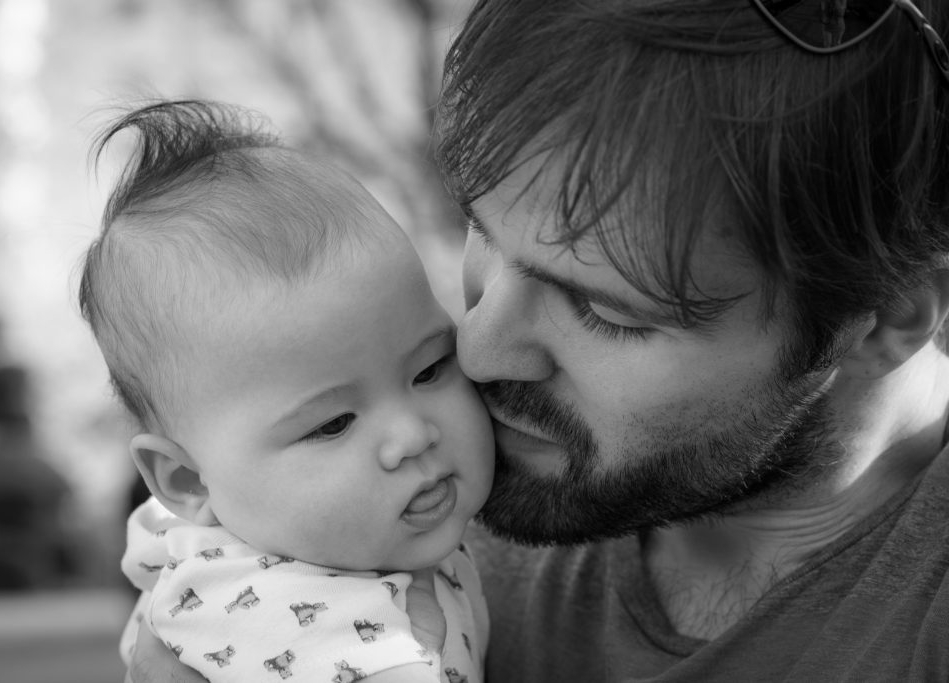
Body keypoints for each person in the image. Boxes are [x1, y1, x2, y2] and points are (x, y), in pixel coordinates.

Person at [130, 0, 949, 680]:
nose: (476, 353)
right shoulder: (409, 494)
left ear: (891, 318)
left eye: (607, 313)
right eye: (479, 232)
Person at [79, 100, 493, 683]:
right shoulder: (270, 619)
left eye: (429, 370)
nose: (413, 435)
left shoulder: (338, 545)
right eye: (332, 424)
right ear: (188, 480)